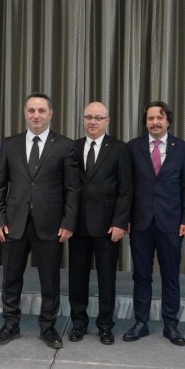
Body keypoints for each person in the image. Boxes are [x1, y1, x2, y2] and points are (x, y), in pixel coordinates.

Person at [0, 93, 80, 348]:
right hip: (13, 223)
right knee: (11, 278)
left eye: (41, 111)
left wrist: (68, 223)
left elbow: (72, 189)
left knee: (50, 280)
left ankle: (48, 327)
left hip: (51, 225)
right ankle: (10, 324)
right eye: (31, 110)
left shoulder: (65, 145)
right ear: (25, 113)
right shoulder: (10, 144)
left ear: (51, 114)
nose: (36, 115)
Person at [124, 101, 185, 346]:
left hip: (171, 223)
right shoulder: (133, 147)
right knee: (141, 275)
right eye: (150, 118)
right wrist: (126, 219)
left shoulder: (182, 148)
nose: (155, 122)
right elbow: (127, 187)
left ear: (168, 121)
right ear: (145, 122)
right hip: (140, 223)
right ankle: (140, 322)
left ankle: (171, 324)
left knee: (171, 276)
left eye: (160, 117)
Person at [67, 101, 133, 345]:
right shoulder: (73, 147)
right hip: (78, 226)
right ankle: (79, 323)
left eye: (98, 118)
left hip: (108, 227)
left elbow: (126, 190)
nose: (92, 122)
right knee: (77, 278)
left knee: (107, 279)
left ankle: (105, 325)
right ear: (83, 119)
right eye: (88, 117)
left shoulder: (119, 149)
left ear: (107, 121)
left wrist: (119, 222)